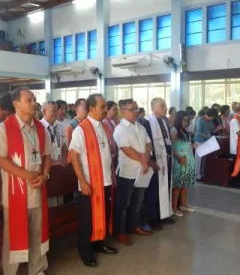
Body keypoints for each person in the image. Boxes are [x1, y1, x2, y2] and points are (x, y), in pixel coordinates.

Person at [0, 88, 52, 275]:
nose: (33, 103)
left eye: (34, 100)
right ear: (16, 104)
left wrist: (45, 175)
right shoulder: (5, 128)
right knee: (13, 236)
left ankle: (37, 269)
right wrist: (26, 175)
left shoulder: (41, 128)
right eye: (28, 100)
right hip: (15, 194)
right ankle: (11, 272)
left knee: (37, 233)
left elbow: (47, 156)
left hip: (37, 190)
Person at [69, 94, 117, 268]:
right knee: (87, 220)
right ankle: (86, 252)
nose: (105, 109)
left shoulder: (102, 126)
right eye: (102, 106)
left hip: (104, 181)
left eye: (105, 106)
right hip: (89, 183)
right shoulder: (81, 129)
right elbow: (73, 156)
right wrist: (82, 181)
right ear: (91, 108)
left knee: (102, 214)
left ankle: (99, 243)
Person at [113, 99, 153, 246]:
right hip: (127, 173)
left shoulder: (140, 126)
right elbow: (126, 149)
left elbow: (148, 143)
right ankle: (121, 232)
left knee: (138, 202)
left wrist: (147, 156)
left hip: (142, 171)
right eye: (133, 109)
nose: (136, 111)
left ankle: (134, 225)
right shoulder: (120, 129)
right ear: (123, 112)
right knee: (124, 204)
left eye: (137, 108)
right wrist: (143, 160)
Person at [142, 98, 175, 230]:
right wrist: (152, 161)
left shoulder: (164, 121)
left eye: (165, 105)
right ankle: (153, 218)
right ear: (153, 107)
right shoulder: (148, 123)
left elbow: (167, 140)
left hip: (167, 160)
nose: (165, 108)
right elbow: (147, 143)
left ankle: (164, 215)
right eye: (162, 106)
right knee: (154, 191)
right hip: (155, 162)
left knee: (165, 188)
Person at [170, 111, 196, 218]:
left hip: (187, 160)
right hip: (179, 160)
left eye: (187, 121)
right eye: (184, 120)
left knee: (184, 185)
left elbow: (186, 144)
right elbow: (170, 148)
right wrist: (179, 158)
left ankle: (183, 204)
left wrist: (193, 145)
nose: (186, 123)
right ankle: (174, 208)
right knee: (177, 186)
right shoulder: (174, 131)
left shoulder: (184, 131)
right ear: (179, 120)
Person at [194, 108, 217, 181]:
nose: (212, 119)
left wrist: (217, 130)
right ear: (210, 115)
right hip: (199, 141)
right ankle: (196, 175)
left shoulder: (210, 120)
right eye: (212, 117)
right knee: (198, 159)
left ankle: (202, 173)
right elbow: (198, 132)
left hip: (207, 141)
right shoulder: (200, 120)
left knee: (204, 159)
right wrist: (209, 136)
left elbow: (211, 130)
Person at [103, 101, 119, 168]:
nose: (116, 111)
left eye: (116, 109)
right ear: (107, 110)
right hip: (111, 154)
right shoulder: (104, 123)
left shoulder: (117, 121)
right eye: (114, 109)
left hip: (118, 153)